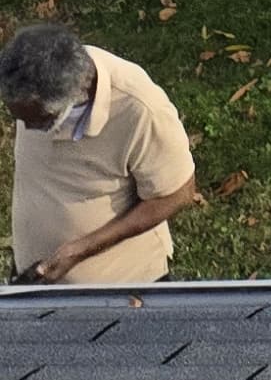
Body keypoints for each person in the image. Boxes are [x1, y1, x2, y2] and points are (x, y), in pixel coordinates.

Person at [1, 24, 197, 287]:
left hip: (118, 291)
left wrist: (82, 249)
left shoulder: (140, 108)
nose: (27, 128)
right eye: (18, 118)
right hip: (33, 279)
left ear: (74, 95)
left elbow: (178, 193)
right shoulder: (34, 79)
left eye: (40, 120)